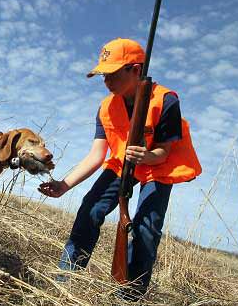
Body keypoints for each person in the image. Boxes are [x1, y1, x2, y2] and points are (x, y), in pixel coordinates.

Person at [38, 38, 202, 300]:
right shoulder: (106, 107)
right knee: (90, 207)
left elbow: (163, 152)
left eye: (113, 73)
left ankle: (128, 297)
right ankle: (64, 285)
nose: (106, 81)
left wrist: (146, 156)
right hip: (122, 164)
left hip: (157, 167)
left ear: (136, 70)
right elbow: (96, 155)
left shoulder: (166, 100)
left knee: (146, 228)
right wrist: (64, 185)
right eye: (104, 75)